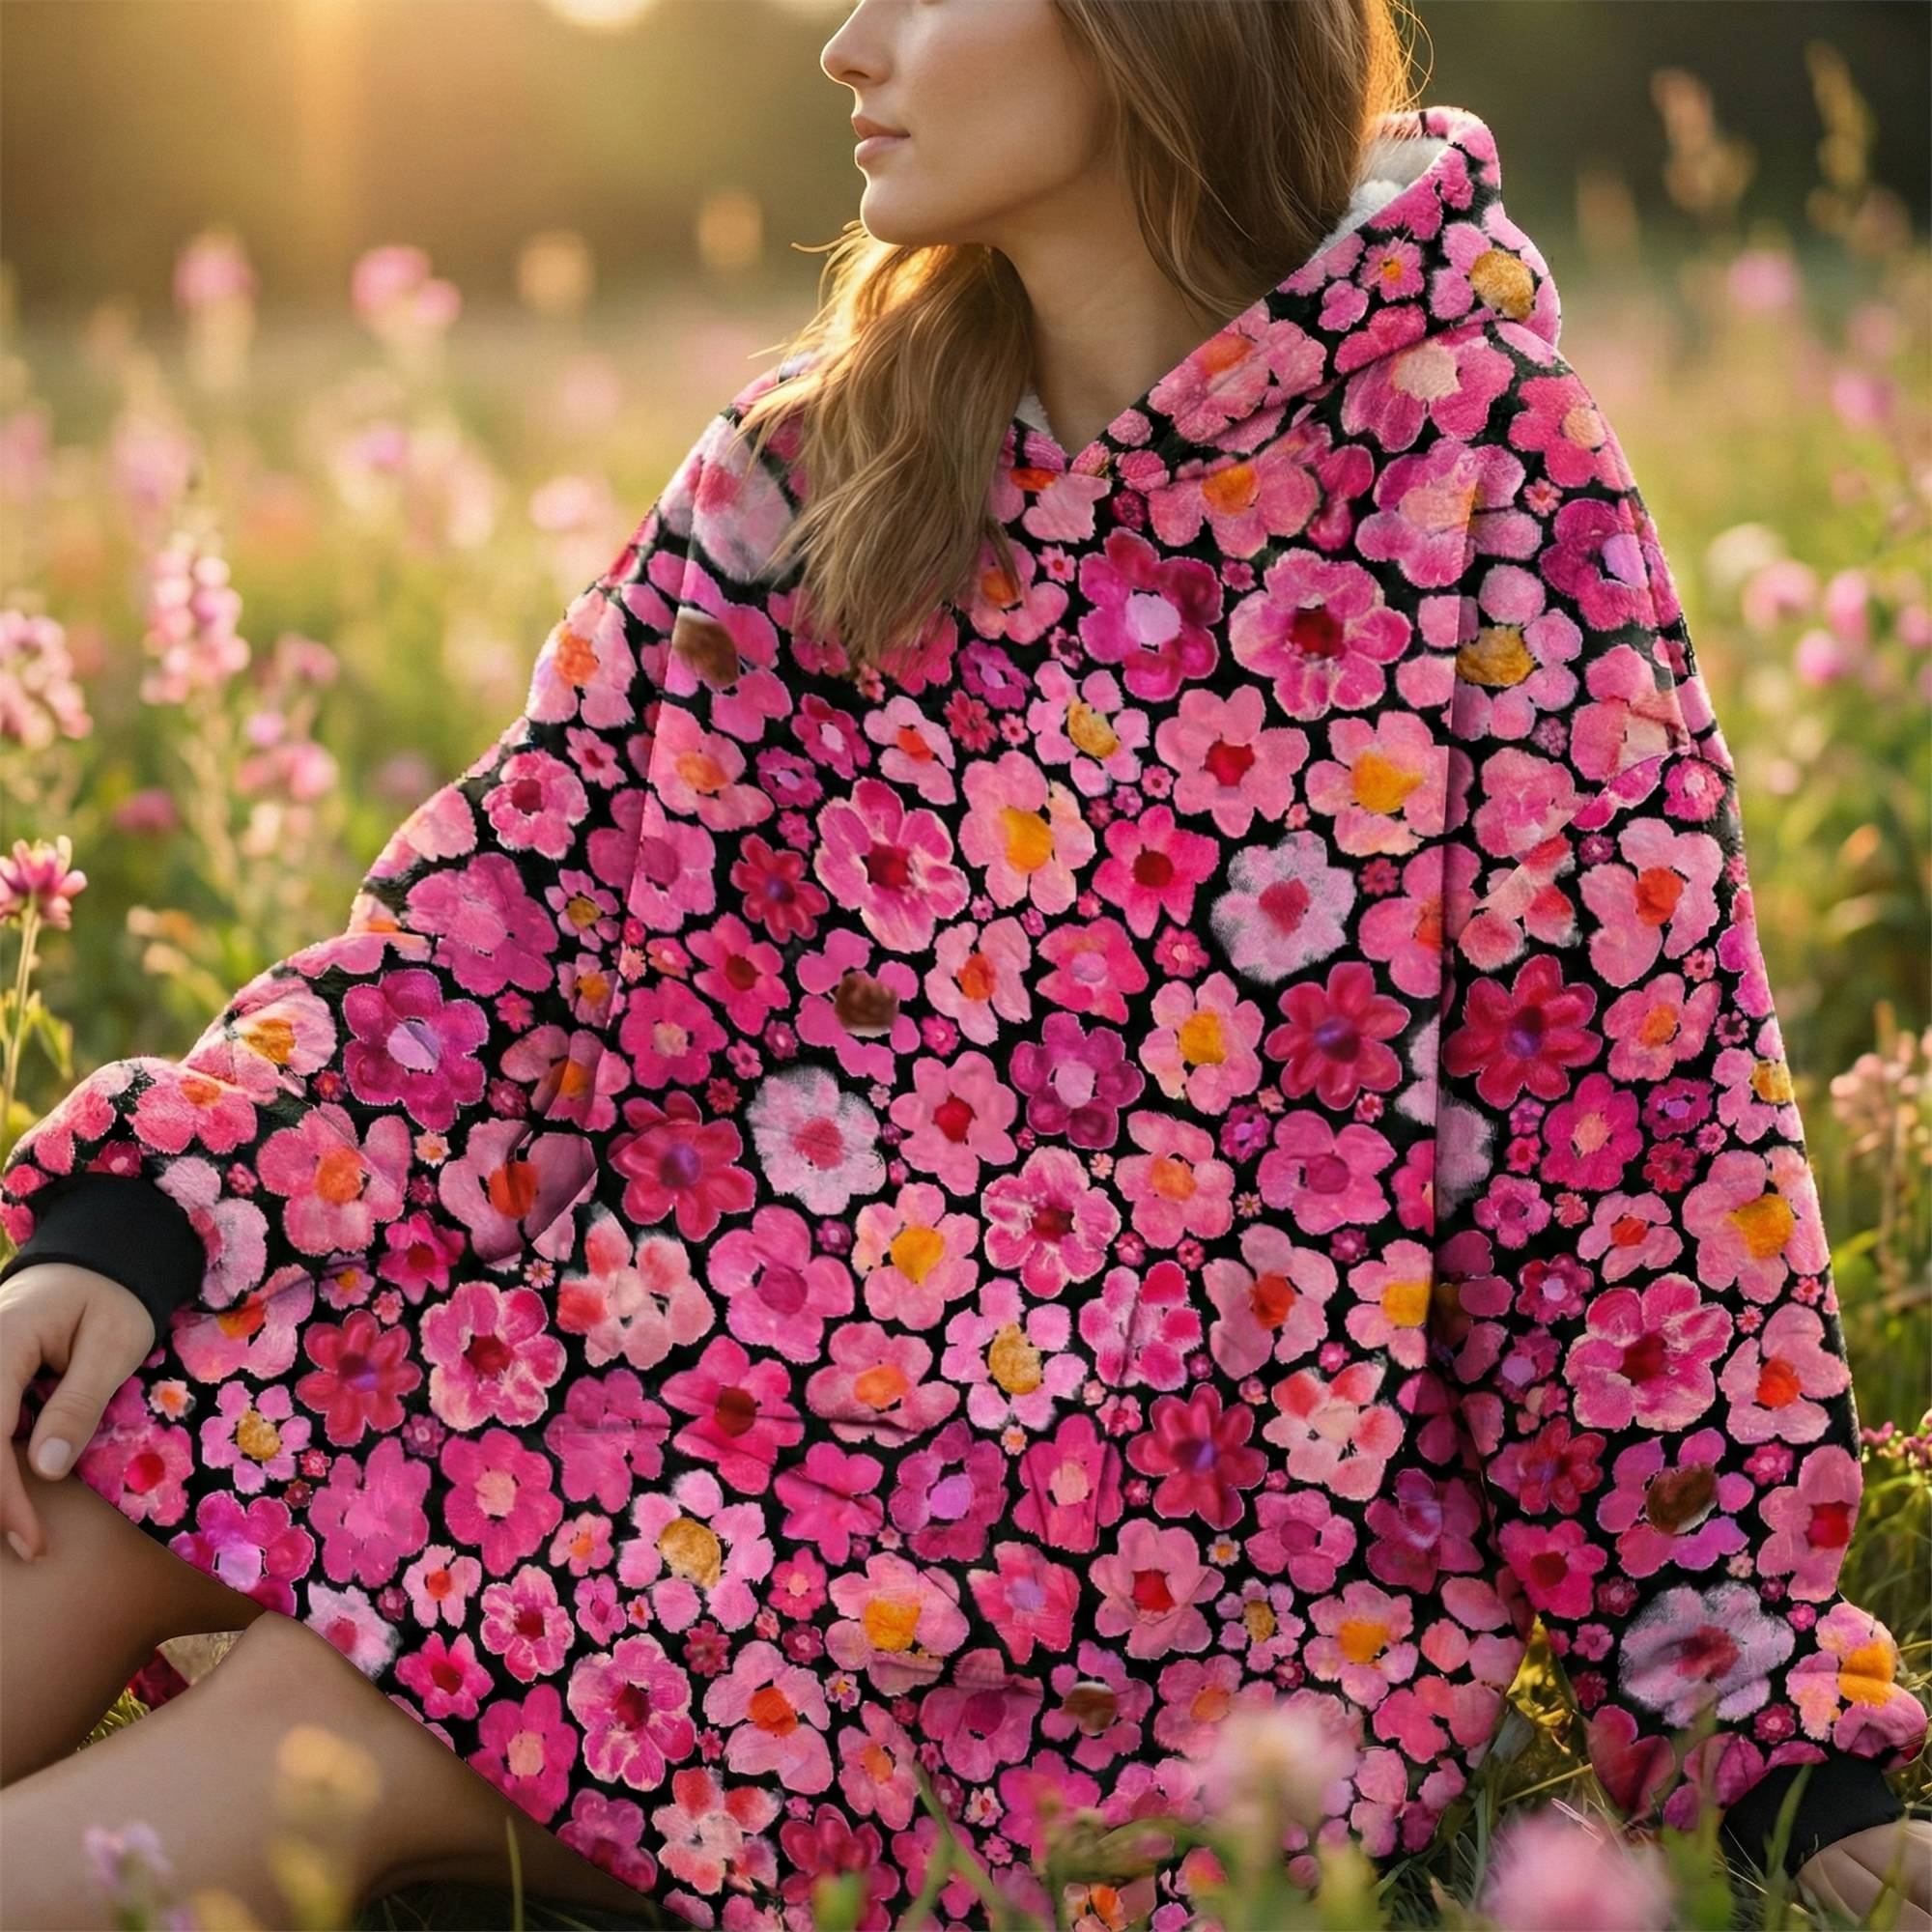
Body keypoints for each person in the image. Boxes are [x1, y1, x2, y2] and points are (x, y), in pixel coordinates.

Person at [2, 1, 1927, 1925]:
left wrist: (1769, 1748)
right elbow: (500, 936)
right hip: (676, 1401)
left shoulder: (1481, 495)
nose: (846, 45)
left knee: (314, 1705)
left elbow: (1631, 1165)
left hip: (1101, 1638)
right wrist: (143, 1220)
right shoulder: (813, 458)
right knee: (68, 1438)